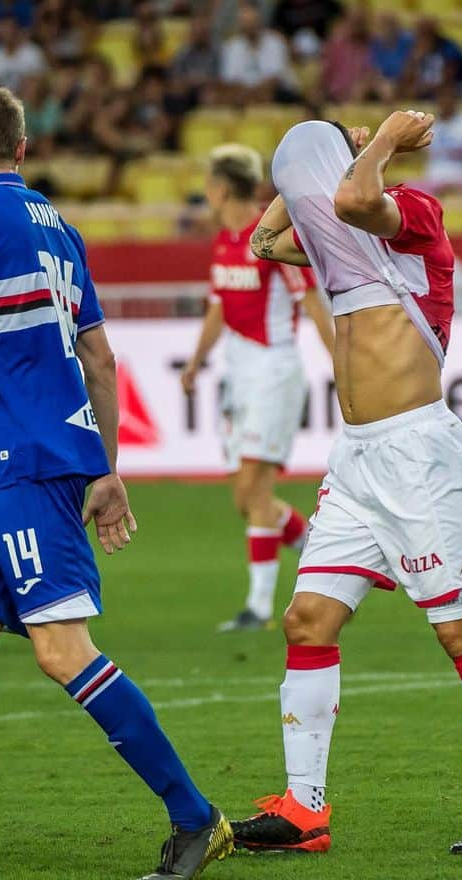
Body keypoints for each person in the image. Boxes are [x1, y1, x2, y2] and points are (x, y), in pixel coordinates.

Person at [0, 85, 233, 880]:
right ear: (23, 148)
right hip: (0, 476)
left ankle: (194, 816)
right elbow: (100, 357)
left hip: (26, 466)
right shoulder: (58, 227)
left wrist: (90, 473)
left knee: (62, 651)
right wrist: (108, 469)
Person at [229, 110, 462, 856]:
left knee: (460, 633)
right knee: (306, 621)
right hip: (359, 461)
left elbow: (356, 200)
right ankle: (304, 810)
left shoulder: (414, 217)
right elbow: (264, 241)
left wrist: (375, 145)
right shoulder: (338, 251)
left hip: (421, 460)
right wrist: (296, 175)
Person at [180, 145, 334, 632]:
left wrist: (342, 362)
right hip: (238, 372)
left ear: (222, 188)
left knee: (255, 488)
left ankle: (260, 607)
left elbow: (309, 301)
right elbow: (219, 307)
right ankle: (325, 552)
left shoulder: (269, 239)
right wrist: (196, 362)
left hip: (274, 368)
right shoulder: (225, 242)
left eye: (209, 185)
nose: (206, 194)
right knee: (248, 501)